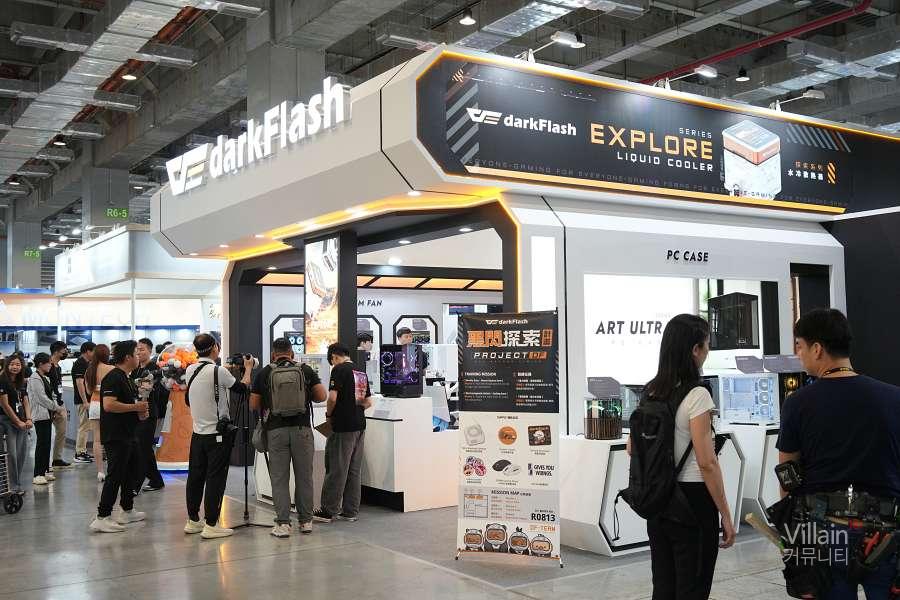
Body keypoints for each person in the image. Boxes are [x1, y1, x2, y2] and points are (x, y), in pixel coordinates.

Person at [778, 308, 900, 600]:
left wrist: (790, 535)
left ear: (817, 349)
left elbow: (787, 475)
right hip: (886, 534)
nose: (798, 355)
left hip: (823, 534)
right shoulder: (894, 397)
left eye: (800, 346)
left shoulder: (798, 403)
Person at [636, 314, 735, 600]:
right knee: (693, 588)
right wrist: (726, 514)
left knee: (663, 586)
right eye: (706, 344)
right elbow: (707, 462)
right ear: (695, 350)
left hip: (658, 499)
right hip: (693, 500)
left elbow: (633, 448)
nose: (707, 351)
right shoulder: (698, 395)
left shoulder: (650, 391)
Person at [250, 338, 327, 538]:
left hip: (276, 431)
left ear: (273, 354)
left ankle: (283, 524)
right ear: (291, 352)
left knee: (279, 478)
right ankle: (306, 521)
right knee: (304, 477)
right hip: (302, 430)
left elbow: (254, 404)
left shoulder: (265, 373)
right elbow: (322, 396)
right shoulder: (305, 370)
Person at [183, 333, 253, 539]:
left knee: (195, 478)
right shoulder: (219, 371)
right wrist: (248, 368)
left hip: (198, 435)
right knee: (215, 479)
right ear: (215, 347)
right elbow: (242, 388)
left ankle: (193, 521)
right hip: (217, 436)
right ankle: (211, 524)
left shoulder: (190, 370)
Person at [89, 340, 148, 533]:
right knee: (115, 475)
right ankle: (102, 516)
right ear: (127, 357)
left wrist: (139, 411)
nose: (138, 356)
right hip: (116, 435)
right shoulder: (113, 377)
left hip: (128, 433)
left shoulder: (126, 377)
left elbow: (128, 404)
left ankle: (126, 509)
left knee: (131, 471)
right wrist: (135, 407)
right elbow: (108, 405)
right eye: (136, 353)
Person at [313, 343, 373, 524]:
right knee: (354, 469)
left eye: (332, 361)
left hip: (342, 426)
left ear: (334, 357)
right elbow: (368, 402)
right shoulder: (360, 371)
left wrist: (329, 415)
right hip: (359, 425)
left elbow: (332, 398)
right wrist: (354, 409)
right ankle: (350, 511)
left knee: (337, 468)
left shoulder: (338, 370)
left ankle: (328, 510)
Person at [130, 338, 166, 494]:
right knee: (144, 448)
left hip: (148, 412)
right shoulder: (136, 369)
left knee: (142, 448)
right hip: (135, 411)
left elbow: (145, 389)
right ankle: (156, 480)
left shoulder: (154, 368)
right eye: (137, 349)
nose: (139, 352)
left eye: (142, 349)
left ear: (150, 351)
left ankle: (135, 485)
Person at [27, 353, 62, 486]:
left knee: (47, 443)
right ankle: (37, 474)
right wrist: (56, 407)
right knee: (41, 444)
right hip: (40, 415)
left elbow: (51, 394)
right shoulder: (35, 378)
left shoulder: (44, 377)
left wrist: (54, 408)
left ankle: (45, 471)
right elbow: (41, 398)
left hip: (47, 414)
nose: (50, 365)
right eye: (48, 363)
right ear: (41, 364)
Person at [0, 355, 31, 494]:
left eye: (18, 364)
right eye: (12, 364)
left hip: (21, 420)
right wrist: (17, 422)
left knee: (21, 453)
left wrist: (28, 418)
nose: (15, 367)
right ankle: (11, 487)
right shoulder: (2, 380)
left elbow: (25, 400)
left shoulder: (21, 381)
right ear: (7, 365)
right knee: (11, 454)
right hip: (6, 420)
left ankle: (16, 484)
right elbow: (4, 405)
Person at [85, 344, 114, 482]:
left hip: (94, 405)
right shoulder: (112, 369)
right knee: (111, 438)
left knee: (97, 440)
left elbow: (89, 391)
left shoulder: (89, 370)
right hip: (108, 405)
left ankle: (100, 471)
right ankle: (112, 469)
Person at [48, 341, 71, 470]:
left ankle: (57, 458)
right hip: (51, 403)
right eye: (64, 350)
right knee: (46, 435)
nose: (66, 352)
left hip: (60, 402)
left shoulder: (58, 367)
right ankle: (45, 464)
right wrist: (53, 406)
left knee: (61, 432)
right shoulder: (48, 366)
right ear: (56, 351)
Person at [72, 342, 96, 464]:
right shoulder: (80, 363)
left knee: (87, 426)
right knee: (84, 426)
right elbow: (79, 382)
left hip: (87, 400)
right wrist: (85, 401)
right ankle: (79, 453)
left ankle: (83, 450)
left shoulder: (86, 363)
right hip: (83, 401)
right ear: (88, 351)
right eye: (94, 351)